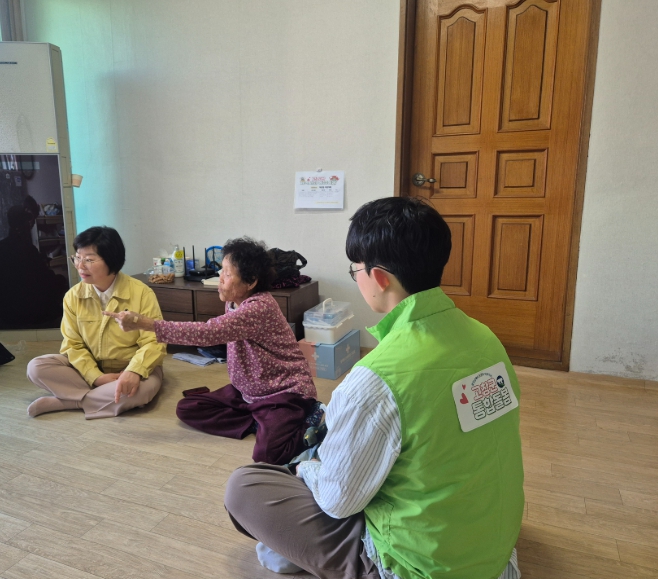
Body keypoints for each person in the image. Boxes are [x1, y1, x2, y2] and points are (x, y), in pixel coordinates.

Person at [223, 198, 524, 579]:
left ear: (379, 278)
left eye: (355, 271)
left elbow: (338, 501)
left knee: (245, 486)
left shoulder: (375, 378)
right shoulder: (485, 339)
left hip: (421, 567)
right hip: (494, 551)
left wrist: (307, 469)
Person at [107, 237, 318, 466]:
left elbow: (209, 332)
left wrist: (144, 324)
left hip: (283, 392)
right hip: (248, 391)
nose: (220, 278)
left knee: (267, 455)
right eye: (221, 271)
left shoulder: (259, 307)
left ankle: (305, 421)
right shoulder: (234, 302)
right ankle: (260, 421)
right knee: (188, 408)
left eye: (227, 273)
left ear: (251, 282)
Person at [26, 226, 166, 418]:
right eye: (77, 258)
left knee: (142, 391)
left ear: (111, 260)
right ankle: (100, 396)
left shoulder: (141, 293)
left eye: (89, 260)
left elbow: (154, 341)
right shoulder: (73, 296)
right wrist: (96, 377)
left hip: (130, 368)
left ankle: (70, 401)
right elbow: (73, 344)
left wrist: (134, 371)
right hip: (89, 369)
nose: (80, 266)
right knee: (36, 368)